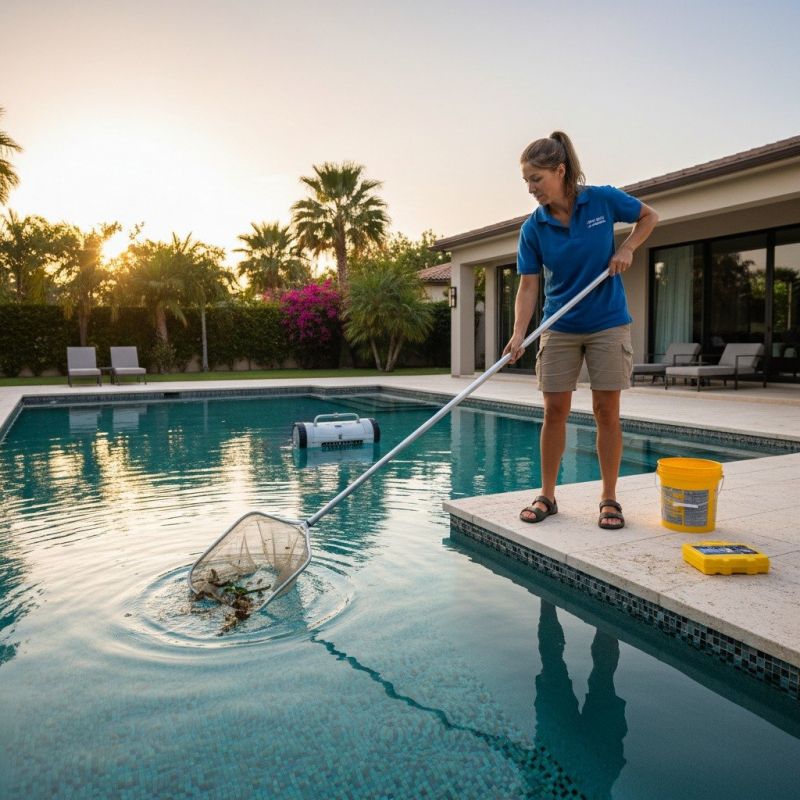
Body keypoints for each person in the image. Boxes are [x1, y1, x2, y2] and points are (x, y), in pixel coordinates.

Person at [503, 131, 658, 529]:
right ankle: (548, 496)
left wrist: (627, 248)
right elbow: (529, 284)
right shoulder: (533, 228)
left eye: (536, 179)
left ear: (560, 170)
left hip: (607, 321)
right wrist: (520, 332)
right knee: (554, 411)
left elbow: (649, 216)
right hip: (559, 324)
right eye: (526, 181)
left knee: (607, 411)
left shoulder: (602, 200)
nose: (531, 188)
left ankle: (609, 498)